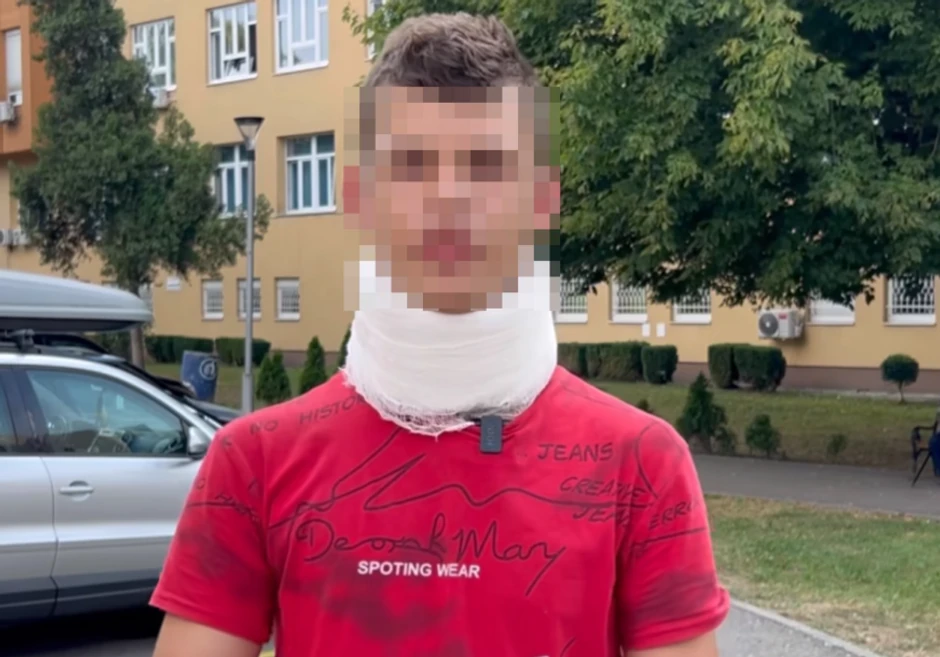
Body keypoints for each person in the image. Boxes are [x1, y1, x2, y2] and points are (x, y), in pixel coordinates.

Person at [151, 12, 729, 657]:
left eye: (488, 166)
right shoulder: (253, 462)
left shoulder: (642, 464)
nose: (450, 197)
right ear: (358, 196)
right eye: (412, 165)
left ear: (543, 199)